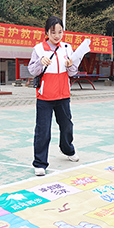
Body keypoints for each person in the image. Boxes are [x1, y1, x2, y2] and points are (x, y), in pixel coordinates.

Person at [28, 16, 80, 176]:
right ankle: (40, 163)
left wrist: (71, 66)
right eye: (53, 32)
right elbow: (32, 70)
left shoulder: (67, 48)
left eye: (60, 32)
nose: (57, 35)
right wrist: (40, 63)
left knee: (67, 127)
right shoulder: (38, 49)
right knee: (43, 130)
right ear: (46, 32)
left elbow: (73, 72)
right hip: (45, 97)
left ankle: (68, 150)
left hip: (63, 95)